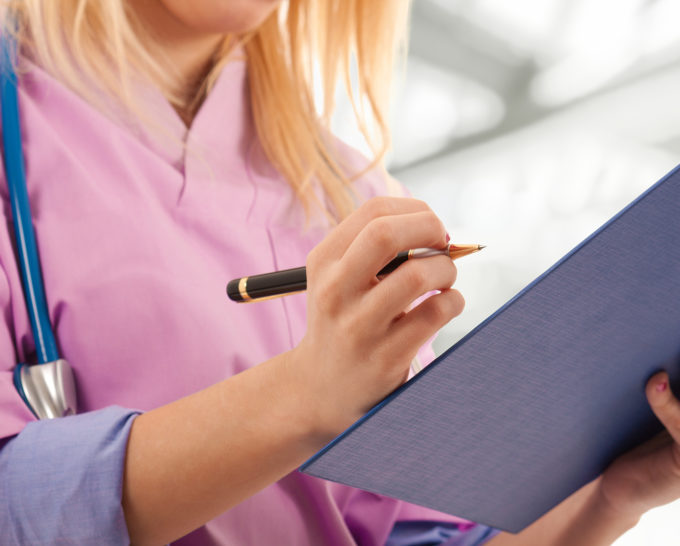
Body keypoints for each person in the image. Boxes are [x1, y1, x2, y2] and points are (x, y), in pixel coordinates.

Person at [0, 1, 679, 545]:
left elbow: (409, 533)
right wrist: (304, 394)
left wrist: (613, 496)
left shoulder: (342, 189)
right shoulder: (22, 131)